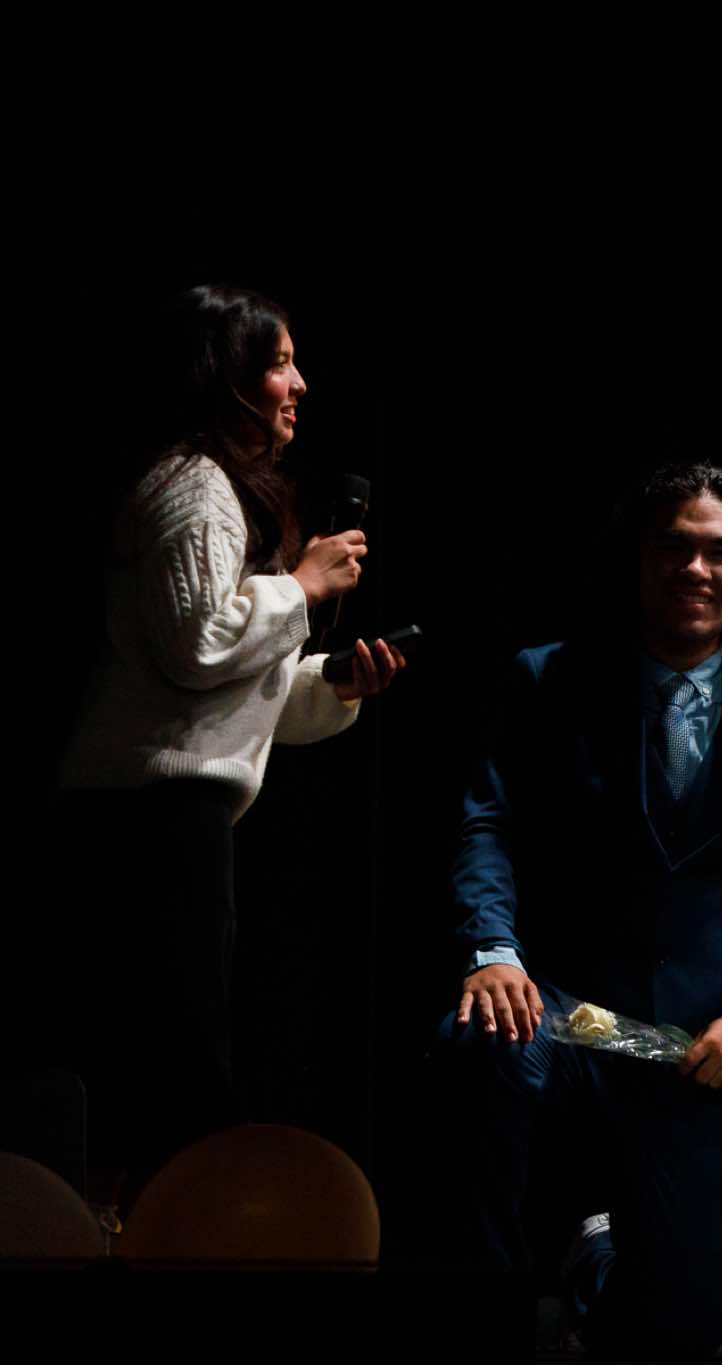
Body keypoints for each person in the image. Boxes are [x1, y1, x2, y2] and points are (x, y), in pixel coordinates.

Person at [442, 463, 722, 1361]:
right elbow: (490, 823)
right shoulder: (548, 677)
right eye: (674, 546)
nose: (696, 569)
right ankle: (489, 1312)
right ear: (639, 560)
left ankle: (595, 1264)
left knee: (685, 1320)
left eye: (720, 552)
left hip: (703, 1038)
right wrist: (493, 948)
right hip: (563, 1007)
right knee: (482, 1040)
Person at [49, 283, 402, 1194]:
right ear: (225, 377)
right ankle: (158, 1245)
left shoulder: (219, 488)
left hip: (173, 816)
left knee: (179, 1059)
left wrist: (335, 685)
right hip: (143, 819)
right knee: (169, 1068)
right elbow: (200, 643)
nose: (301, 383)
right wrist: (303, 586)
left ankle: (159, 1232)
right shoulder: (192, 483)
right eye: (279, 363)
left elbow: (235, 691)